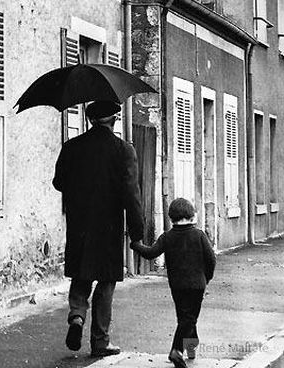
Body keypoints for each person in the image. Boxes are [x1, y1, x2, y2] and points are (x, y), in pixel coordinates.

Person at [53, 100, 144, 358]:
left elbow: (58, 182)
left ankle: (77, 315)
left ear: (89, 119)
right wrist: (137, 234)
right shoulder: (123, 150)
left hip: (79, 224)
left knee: (81, 275)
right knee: (106, 281)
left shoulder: (72, 147)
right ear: (115, 119)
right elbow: (131, 195)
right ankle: (100, 341)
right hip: (109, 226)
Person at [131, 198, 216, 368]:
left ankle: (191, 346)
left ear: (171, 218)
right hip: (197, 285)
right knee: (189, 318)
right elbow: (211, 259)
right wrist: (206, 278)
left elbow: (151, 253)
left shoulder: (167, 237)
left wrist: (136, 245)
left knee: (184, 317)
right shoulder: (199, 235)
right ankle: (176, 350)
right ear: (191, 215)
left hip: (177, 285)